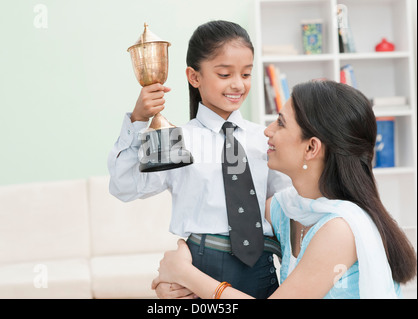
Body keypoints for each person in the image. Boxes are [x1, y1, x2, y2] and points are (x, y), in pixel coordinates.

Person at [152, 80, 417, 299]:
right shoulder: (285, 209)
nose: (267, 131)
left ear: (311, 148)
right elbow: (219, 222)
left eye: (280, 122)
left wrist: (185, 274)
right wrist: (181, 268)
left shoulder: (340, 228)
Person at [108, 20, 291, 299]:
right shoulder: (175, 138)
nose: (237, 85)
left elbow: (284, 205)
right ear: (194, 77)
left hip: (262, 268)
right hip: (198, 270)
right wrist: (137, 121)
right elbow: (125, 187)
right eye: (224, 74)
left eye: (245, 74)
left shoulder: (265, 138)